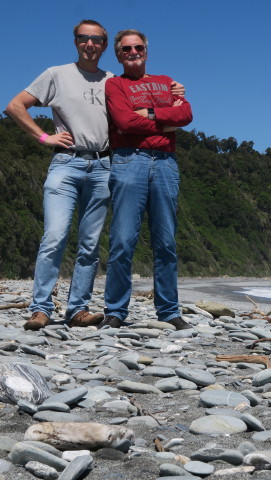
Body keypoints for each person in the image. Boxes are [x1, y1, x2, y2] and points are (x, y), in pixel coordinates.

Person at [5, 20, 184, 330]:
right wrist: (44, 138)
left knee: (90, 245)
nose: (90, 44)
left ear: (104, 47)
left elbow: (176, 113)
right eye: (84, 38)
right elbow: (16, 105)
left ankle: (78, 309)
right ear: (76, 41)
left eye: (96, 40)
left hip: (104, 165)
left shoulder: (115, 80)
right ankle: (41, 308)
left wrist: (171, 96)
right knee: (55, 236)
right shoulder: (56, 74)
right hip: (66, 163)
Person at [101, 29, 193, 330]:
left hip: (166, 164)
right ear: (118, 54)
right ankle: (115, 311)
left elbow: (187, 115)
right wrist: (166, 123)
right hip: (129, 161)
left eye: (137, 47)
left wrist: (150, 111)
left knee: (165, 242)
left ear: (146, 51)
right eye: (126, 49)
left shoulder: (167, 82)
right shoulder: (114, 84)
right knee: (122, 241)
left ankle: (169, 311)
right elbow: (124, 121)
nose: (132, 52)